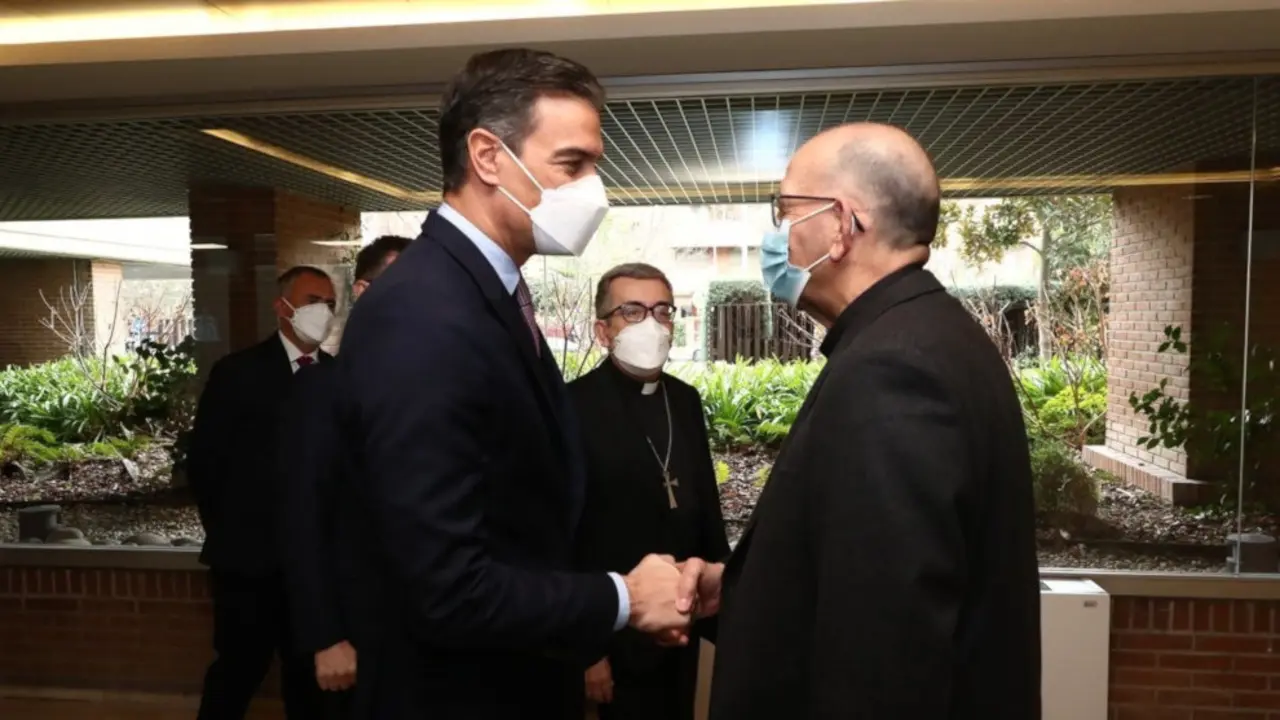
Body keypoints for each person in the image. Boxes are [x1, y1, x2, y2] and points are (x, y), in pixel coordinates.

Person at [331, 48, 693, 720]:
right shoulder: (424, 314)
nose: (592, 189)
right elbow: (445, 587)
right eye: (572, 165)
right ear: (488, 157)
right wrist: (621, 598)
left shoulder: (485, 294)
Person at [679, 123, 1042, 719]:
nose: (778, 234)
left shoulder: (892, 369)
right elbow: (856, 566)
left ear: (842, 226)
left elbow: (885, 648)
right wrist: (740, 591)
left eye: (786, 211)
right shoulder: (925, 335)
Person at [569, 263, 730, 720]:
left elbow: (707, 507)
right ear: (603, 330)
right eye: (633, 311)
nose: (652, 324)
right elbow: (566, 538)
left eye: (662, 311)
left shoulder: (684, 398)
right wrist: (587, 650)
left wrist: (723, 607)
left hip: (684, 617)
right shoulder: (573, 406)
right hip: (613, 629)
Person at [188, 265, 338, 720]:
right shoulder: (237, 374)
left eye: (330, 304)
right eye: (313, 300)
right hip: (248, 566)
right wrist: (234, 537)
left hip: (313, 571)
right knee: (237, 671)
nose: (323, 312)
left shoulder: (339, 376)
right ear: (283, 306)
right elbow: (206, 467)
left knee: (309, 682)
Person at [278, 235, 410, 718]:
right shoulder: (321, 389)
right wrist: (325, 635)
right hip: (353, 635)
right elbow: (301, 520)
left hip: (428, 636)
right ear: (362, 291)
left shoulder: (443, 385)